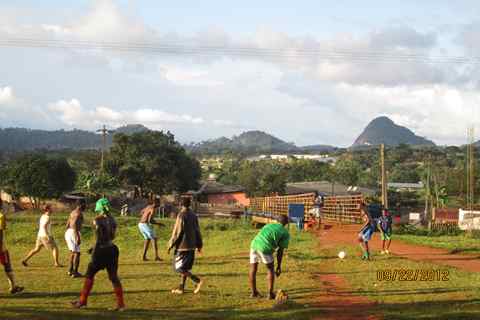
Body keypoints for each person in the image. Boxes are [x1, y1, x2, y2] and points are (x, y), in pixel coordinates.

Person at [71, 197, 125, 311]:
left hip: (101, 250)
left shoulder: (97, 220)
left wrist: (94, 250)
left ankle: (82, 301)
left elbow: (100, 239)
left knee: (89, 274)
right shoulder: (113, 219)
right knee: (114, 277)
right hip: (112, 249)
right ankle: (121, 305)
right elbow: (112, 237)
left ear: (98, 207)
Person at [167, 197, 203, 295]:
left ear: (180, 204)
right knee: (185, 268)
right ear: (190, 204)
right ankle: (181, 288)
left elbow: (177, 232)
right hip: (192, 246)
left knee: (178, 268)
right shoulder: (193, 215)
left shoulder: (181, 215)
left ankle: (197, 281)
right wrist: (199, 244)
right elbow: (197, 230)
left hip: (183, 246)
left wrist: (171, 244)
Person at [249, 214, 290, 300]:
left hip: (254, 244)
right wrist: (278, 266)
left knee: (253, 269)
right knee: (270, 270)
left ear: (277, 220)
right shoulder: (285, 232)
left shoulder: (269, 225)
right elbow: (280, 251)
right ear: (286, 223)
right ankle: (270, 294)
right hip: (265, 248)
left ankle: (253, 293)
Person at [0, 198, 24, 294]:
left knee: (7, 265)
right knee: (7, 266)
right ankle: (13, 286)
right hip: (1, 246)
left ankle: (13, 286)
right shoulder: (1, 216)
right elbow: (0, 233)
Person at [65, 199, 86, 278]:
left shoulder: (72, 212)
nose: (85, 206)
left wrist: (68, 233)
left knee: (72, 252)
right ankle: (75, 272)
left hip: (68, 232)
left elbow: (67, 224)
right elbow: (74, 224)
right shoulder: (79, 213)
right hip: (74, 232)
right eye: (84, 204)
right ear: (80, 205)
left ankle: (70, 270)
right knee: (77, 253)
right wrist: (77, 236)